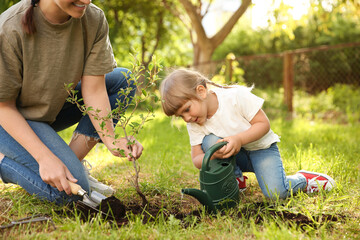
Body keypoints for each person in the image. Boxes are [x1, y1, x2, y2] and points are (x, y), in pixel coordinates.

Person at [0, 0, 143, 205]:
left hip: (43, 108)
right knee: (67, 194)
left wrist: (111, 140)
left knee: (123, 80)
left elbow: (93, 89)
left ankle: (70, 168)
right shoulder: (9, 28)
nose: (86, 1)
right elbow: (3, 107)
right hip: (6, 116)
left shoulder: (93, 19)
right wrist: (44, 158)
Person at [160, 68, 336, 200]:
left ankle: (303, 179)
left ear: (201, 91)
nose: (187, 118)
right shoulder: (195, 121)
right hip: (235, 157)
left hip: (261, 149)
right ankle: (235, 180)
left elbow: (263, 124)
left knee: (276, 194)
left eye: (187, 110)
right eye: (180, 116)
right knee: (210, 141)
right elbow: (197, 159)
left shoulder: (235, 97)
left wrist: (238, 139)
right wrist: (213, 154)